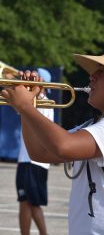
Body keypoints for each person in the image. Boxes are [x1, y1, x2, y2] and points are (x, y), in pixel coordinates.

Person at [2, 44, 104, 234]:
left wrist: (27, 106)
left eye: (101, 72)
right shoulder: (96, 124)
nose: (92, 76)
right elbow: (40, 152)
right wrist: (26, 109)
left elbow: (63, 146)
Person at [15, 68, 54, 235]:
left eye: (33, 78)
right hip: (30, 160)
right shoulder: (37, 101)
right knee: (28, 201)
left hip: (32, 161)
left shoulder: (42, 102)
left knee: (29, 202)